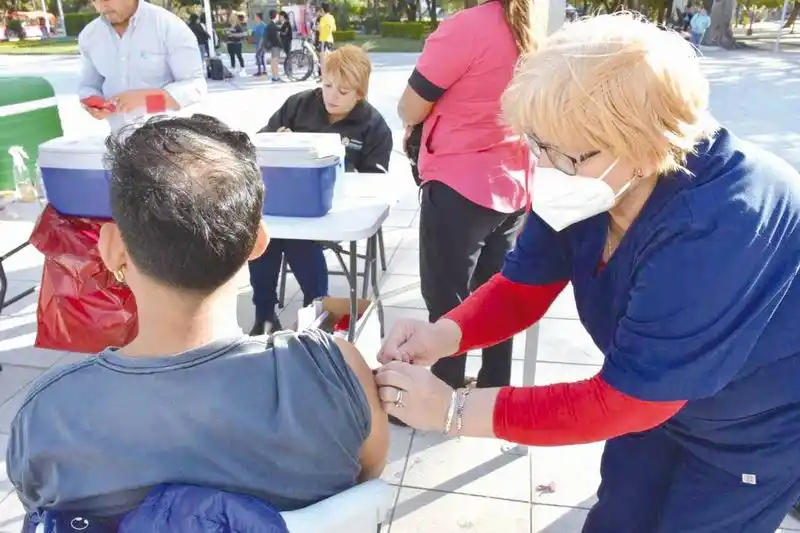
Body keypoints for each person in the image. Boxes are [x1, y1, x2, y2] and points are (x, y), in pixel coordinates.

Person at [376, 14, 800, 533]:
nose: (545, 167)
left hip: (750, 426)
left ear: (645, 148)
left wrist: (454, 410)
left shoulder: (720, 220)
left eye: (564, 154)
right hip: (654, 395)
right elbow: (520, 288)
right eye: (537, 145)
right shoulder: (589, 178)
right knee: (617, 517)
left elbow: (629, 401)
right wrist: (442, 335)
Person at [6, 114, 389, 517]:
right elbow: (366, 479)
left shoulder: (49, 414)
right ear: (258, 242)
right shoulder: (335, 372)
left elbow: (38, 505)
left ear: (112, 249)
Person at [395, 0, 533, 394]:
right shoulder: (533, 27)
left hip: (459, 185)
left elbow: (409, 107)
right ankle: (493, 389)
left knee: (448, 302)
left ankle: (442, 395)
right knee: (498, 299)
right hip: (513, 182)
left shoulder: (466, 28)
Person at [248, 45, 393, 335]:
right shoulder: (299, 104)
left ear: (360, 93)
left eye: (343, 91)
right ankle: (264, 314)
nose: (331, 96)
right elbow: (259, 144)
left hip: (333, 209)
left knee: (299, 240)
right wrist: (278, 140)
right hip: (287, 198)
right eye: (327, 86)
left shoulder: (373, 125)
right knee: (263, 234)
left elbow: (376, 181)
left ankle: (315, 310)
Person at [77, 0, 207, 132]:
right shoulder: (89, 35)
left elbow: (195, 87)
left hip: (168, 137)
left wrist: (147, 100)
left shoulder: (169, 26)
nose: (101, 6)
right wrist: (93, 101)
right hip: (119, 137)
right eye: (94, 0)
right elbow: (89, 85)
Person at [264, 10, 284, 82]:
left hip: (273, 46)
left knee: (274, 61)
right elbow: (275, 38)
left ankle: (275, 76)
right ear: (275, 16)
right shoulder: (272, 26)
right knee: (275, 62)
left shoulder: (271, 25)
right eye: (278, 15)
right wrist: (281, 45)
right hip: (275, 46)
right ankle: (276, 77)